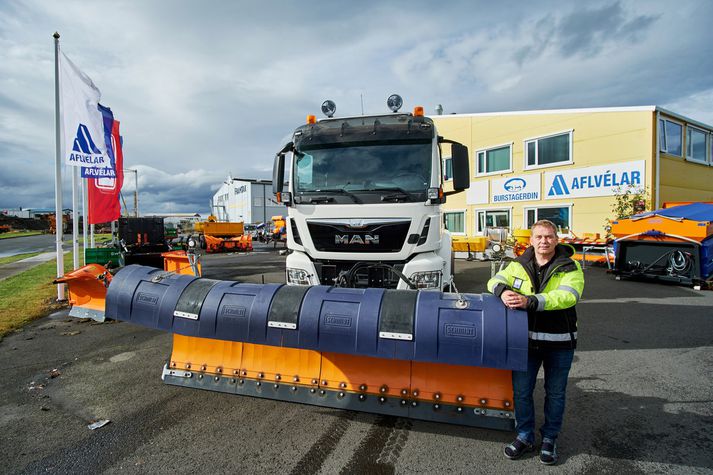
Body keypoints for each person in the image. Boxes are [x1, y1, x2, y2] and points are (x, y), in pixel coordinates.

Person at [487, 219, 584, 465]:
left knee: (555, 393)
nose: (544, 241)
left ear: (556, 240)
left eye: (549, 237)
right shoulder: (517, 265)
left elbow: (567, 297)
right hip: (526, 343)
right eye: (539, 237)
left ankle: (550, 437)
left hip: (559, 342)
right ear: (530, 240)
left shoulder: (570, 267)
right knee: (521, 392)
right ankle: (525, 435)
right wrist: (502, 291)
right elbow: (494, 280)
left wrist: (531, 301)